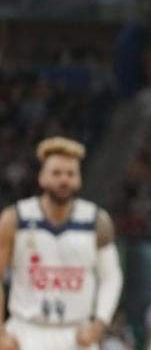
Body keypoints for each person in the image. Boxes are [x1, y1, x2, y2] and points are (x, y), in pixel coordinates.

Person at [0, 136, 124, 350]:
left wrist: (99, 324)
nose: (64, 180)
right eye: (56, 173)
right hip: (25, 331)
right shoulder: (15, 218)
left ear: (79, 179)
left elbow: (112, 276)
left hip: (77, 332)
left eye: (70, 174)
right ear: (41, 177)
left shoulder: (97, 221)